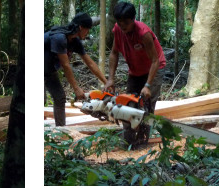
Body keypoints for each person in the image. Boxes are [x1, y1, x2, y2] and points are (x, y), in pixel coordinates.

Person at [104, 2, 167, 145]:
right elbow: (114, 53)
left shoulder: (143, 33)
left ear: (133, 19)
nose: (123, 26)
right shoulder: (118, 30)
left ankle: (142, 139)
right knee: (127, 103)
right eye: (120, 22)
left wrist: (148, 85)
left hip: (154, 68)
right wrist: (110, 79)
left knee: (146, 105)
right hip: (135, 70)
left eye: (126, 22)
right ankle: (129, 140)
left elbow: (155, 61)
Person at [45, 12, 109, 127]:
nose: (88, 32)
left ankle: (61, 132)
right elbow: (65, 65)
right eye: (87, 29)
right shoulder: (59, 38)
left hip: (49, 71)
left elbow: (90, 62)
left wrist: (106, 82)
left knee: (60, 98)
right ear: (81, 27)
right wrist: (76, 88)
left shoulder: (75, 42)